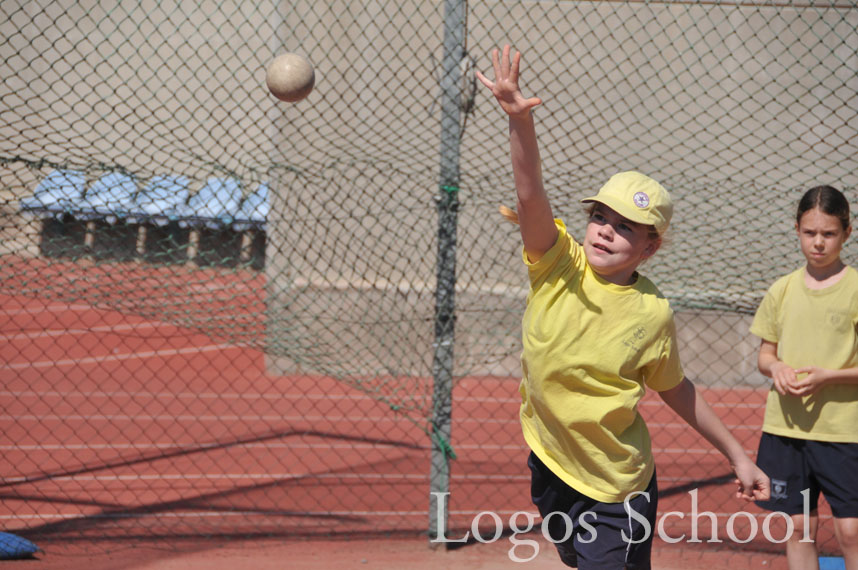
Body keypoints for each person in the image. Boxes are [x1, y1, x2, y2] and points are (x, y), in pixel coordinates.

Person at [476, 45, 770, 569]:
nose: (606, 230)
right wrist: (519, 122)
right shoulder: (557, 262)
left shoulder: (651, 312)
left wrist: (737, 454)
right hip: (552, 465)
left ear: (651, 247)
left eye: (625, 226)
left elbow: (676, 390)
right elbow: (529, 198)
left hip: (617, 488)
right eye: (600, 217)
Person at [750, 185, 858, 570]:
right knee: (798, 528)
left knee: (851, 532)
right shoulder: (782, 289)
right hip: (787, 430)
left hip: (844, 433)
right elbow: (765, 354)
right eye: (810, 233)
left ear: (847, 232)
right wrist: (776, 367)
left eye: (828, 234)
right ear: (797, 229)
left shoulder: (855, 289)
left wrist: (830, 376)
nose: (818, 243)